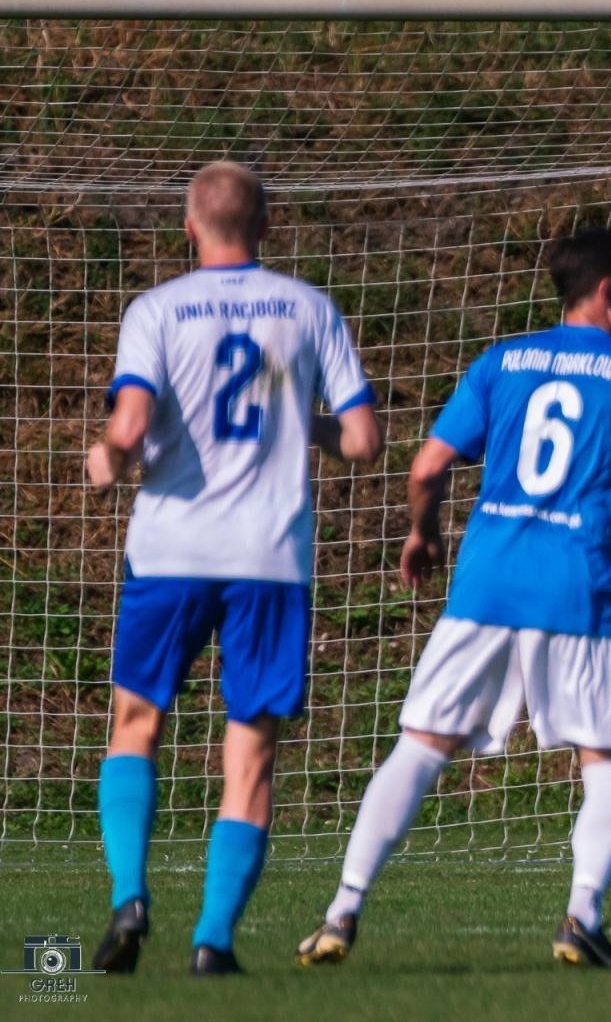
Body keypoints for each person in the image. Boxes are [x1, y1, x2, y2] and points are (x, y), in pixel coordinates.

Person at [294, 227, 611, 972]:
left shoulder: (501, 360)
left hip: (483, 587)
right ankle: (581, 915)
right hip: (578, 592)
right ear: (607, 293)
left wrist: (423, 534)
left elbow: (426, 467)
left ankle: (341, 910)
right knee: (608, 762)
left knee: (418, 748)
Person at [87, 161, 384, 976]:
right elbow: (362, 440)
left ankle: (129, 893)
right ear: (267, 224)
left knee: (135, 723)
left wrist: (109, 452)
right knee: (250, 749)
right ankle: (213, 941)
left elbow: (133, 420)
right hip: (269, 557)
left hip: (172, 547)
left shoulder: (157, 308)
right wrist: (306, 427)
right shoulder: (309, 307)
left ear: (189, 227)